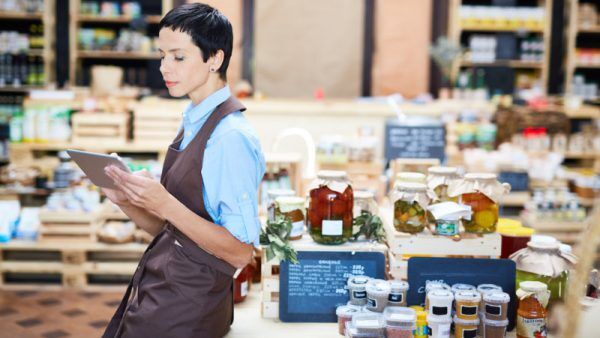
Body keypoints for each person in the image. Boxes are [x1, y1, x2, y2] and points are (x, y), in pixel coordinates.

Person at [101, 3, 265, 337]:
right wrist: (127, 199)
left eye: (178, 57)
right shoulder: (194, 122)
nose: (164, 67)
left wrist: (163, 201)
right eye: (162, 55)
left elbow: (239, 252)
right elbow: (173, 231)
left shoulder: (229, 138)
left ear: (215, 59)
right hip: (162, 297)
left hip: (187, 316)